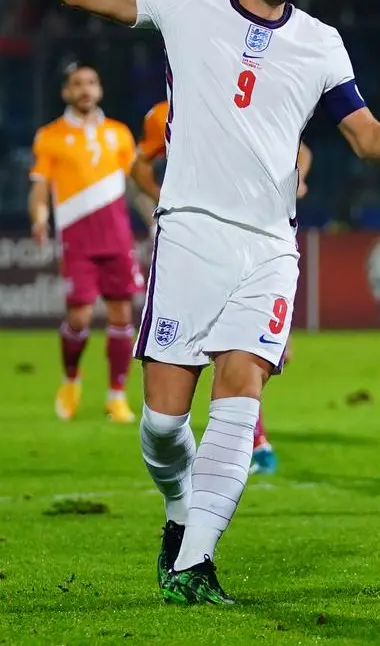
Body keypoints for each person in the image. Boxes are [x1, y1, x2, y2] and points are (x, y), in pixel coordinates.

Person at [0, 0, 380, 605]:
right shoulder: (186, 5)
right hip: (190, 236)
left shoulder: (322, 43)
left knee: (241, 389)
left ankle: (194, 564)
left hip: (268, 249)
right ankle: (178, 514)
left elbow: (363, 136)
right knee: (162, 430)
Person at [132, 99, 312, 476]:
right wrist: (162, 197)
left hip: (249, 238)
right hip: (188, 242)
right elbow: (138, 164)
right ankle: (246, 442)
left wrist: (295, 180)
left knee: (249, 348)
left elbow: (301, 148)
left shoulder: (243, 91)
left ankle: (248, 440)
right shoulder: (165, 110)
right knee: (192, 355)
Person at [29, 62, 143, 424]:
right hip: (78, 240)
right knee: (78, 317)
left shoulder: (119, 134)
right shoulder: (50, 136)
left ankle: (116, 396)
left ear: (100, 90)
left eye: (92, 83)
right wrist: (40, 218)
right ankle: (71, 380)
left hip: (117, 239)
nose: (85, 89)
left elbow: (136, 185)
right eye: (78, 84)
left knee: (122, 315)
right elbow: (40, 186)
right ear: (66, 92)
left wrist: (157, 215)